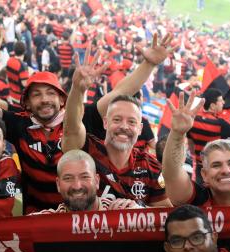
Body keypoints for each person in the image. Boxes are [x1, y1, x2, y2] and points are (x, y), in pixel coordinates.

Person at [0, 33, 173, 213]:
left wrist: (148, 64)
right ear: (27, 102)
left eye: (50, 93)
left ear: (62, 98)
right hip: (38, 221)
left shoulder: (81, 115)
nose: (45, 100)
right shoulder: (18, 124)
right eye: (37, 94)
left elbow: (120, 93)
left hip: (80, 217)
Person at [61, 48, 172, 208]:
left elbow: (165, 214)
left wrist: (139, 211)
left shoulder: (150, 166)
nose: (124, 127)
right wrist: (78, 89)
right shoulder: (85, 151)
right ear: (105, 122)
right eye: (117, 119)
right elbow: (71, 129)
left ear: (140, 129)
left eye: (132, 122)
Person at [161, 92, 230, 217]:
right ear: (205, 175)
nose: (225, 170)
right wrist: (177, 133)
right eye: (216, 165)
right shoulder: (196, 199)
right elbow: (171, 173)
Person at [31, 150, 139, 214]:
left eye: (84, 177)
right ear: (58, 184)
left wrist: (139, 212)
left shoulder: (121, 213)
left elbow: (155, 223)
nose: (77, 186)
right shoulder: (45, 222)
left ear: (97, 181)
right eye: (68, 178)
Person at [188, 88, 230, 184]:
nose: (223, 102)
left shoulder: (194, 120)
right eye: (220, 101)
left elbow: (191, 146)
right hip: (216, 168)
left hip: (200, 165)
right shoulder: (219, 124)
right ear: (212, 105)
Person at [6, 41, 29, 108]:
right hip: (19, 98)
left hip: (11, 94)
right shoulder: (22, 66)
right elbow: (25, 84)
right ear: (24, 51)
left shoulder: (9, 60)